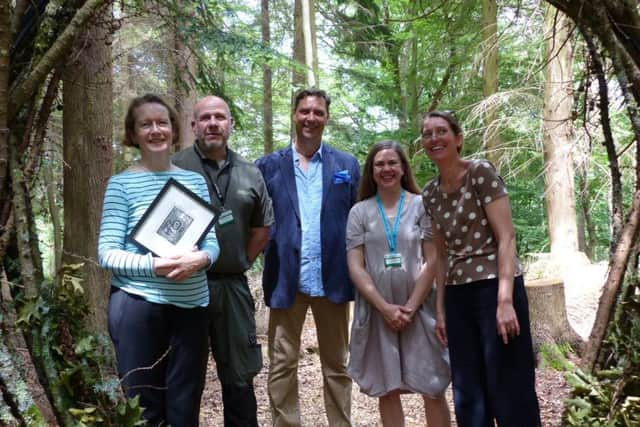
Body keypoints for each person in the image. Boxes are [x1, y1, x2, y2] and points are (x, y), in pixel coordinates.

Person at [98, 94, 219, 425]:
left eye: (162, 122)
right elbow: (107, 253)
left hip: (192, 307)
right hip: (138, 307)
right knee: (145, 409)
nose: (155, 130)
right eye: (145, 124)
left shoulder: (193, 181)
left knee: (185, 408)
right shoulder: (121, 185)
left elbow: (211, 241)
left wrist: (203, 259)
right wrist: (155, 265)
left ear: (173, 129)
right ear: (133, 133)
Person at [420, 111, 540, 427]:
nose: (434, 138)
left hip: (495, 288)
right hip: (458, 295)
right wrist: (441, 311)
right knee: (469, 389)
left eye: (441, 131)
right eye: (427, 134)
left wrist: (504, 301)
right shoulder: (430, 193)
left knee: (510, 384)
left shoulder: (480, 173)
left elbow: (506, 237)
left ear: (458, 139)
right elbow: (442, 257)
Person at [256, 88, 360, 426]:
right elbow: (256, 220)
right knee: (283, 365)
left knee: (338, 365)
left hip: (333, 276)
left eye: (317, 112)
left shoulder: (346, 165)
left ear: (326, 117)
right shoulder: (268, 166)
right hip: (287, 279)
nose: (310, 118)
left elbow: (359, 217)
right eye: (304, 111)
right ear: (294, 114)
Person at [173, 95, 274, 427]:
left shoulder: (250, 172)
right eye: (205, 118)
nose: (212, 123)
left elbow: (262, 229)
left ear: (230, 124)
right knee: (183, 379)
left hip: (232, 287)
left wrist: (239, 260)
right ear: (194, 125)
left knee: (240, 378)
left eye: (220, 117)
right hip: (184, 289)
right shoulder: (176, 167)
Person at [346, 140, 451, 427]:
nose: (386, 169)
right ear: (371, 171)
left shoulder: (422, 205)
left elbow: (434, 259)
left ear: (403, 168)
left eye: (392, 162)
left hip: (420, 309)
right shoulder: (359, 212)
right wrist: (385, 309)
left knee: (433, 385)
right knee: (387, 387)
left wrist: (410, 307)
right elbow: (356, 266)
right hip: (379, 312)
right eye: (379, 164)